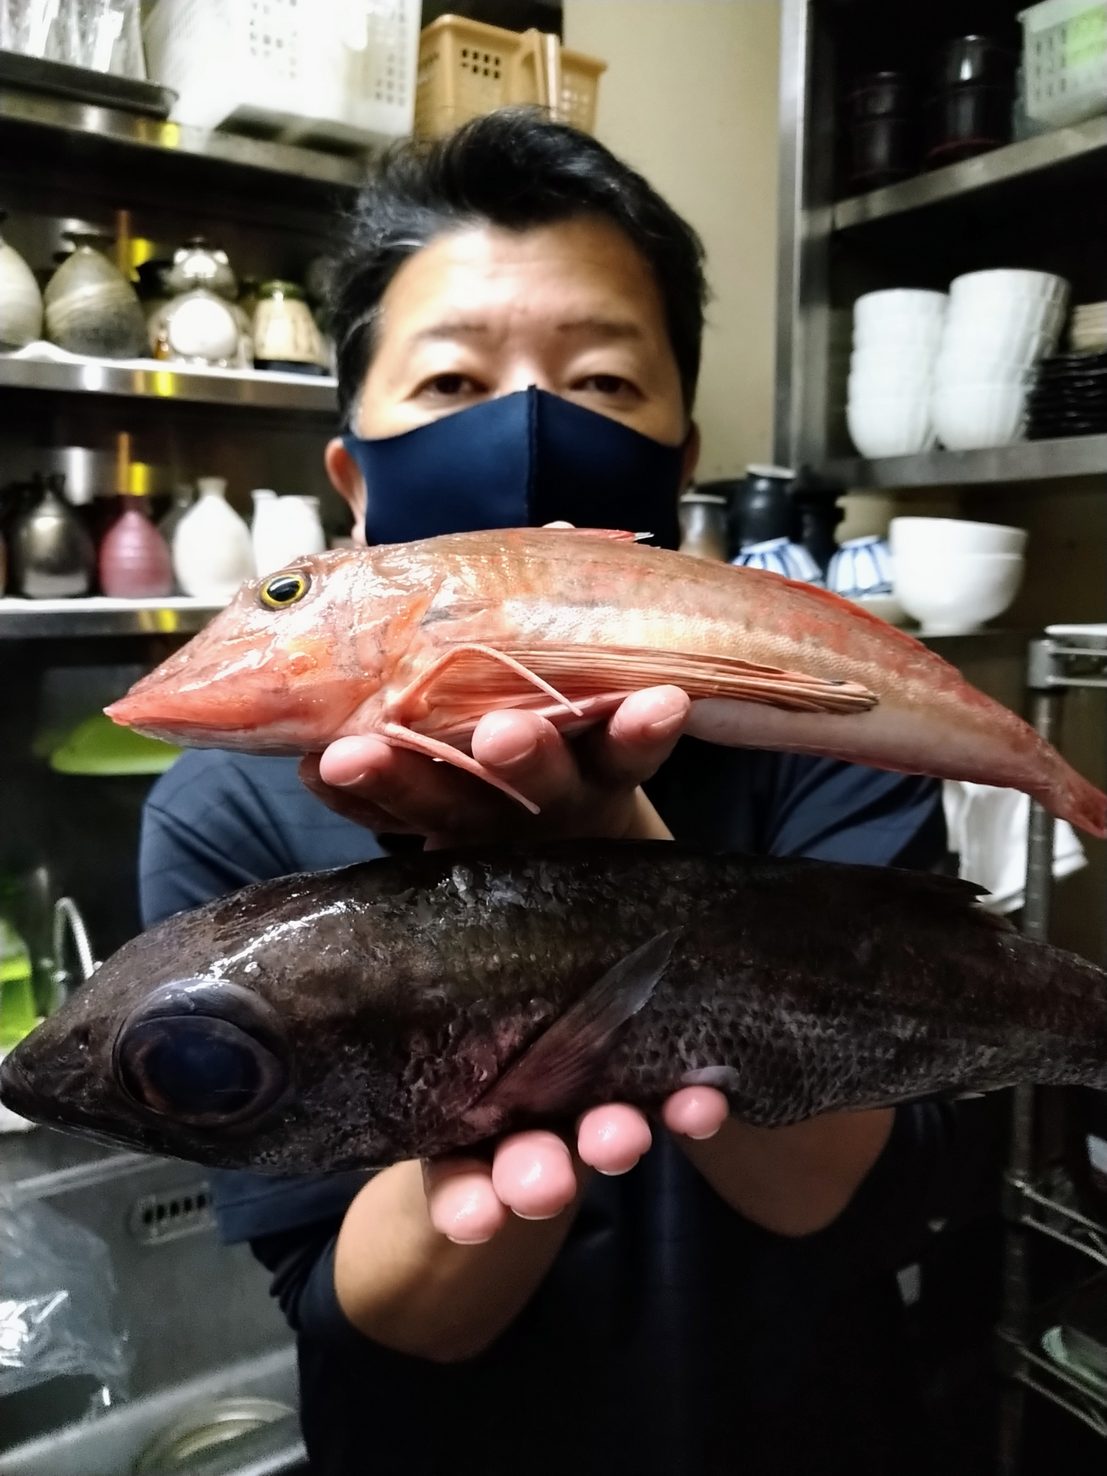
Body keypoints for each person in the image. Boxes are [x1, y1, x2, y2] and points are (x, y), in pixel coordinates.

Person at [140, 110, 956, 1476]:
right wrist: (522, 1087)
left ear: (681, 462)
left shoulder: (829, 730)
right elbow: (351, 1296)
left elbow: (862, 1195)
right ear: (353, 481)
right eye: (452, 382)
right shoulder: (225, 809)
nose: (528, 429)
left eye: (605, 382)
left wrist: (617, 860)